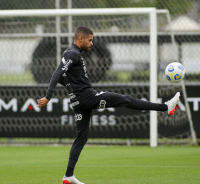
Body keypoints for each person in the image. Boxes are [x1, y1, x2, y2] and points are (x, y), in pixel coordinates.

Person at [37, 26, 180, 184]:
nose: (92, 43)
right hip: (87, 97)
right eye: (90, 40)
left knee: (81, 138)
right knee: (126, 100)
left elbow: (63, 78)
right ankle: (166, 107)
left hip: (78, 102)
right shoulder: (72, 53)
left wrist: (71, 90)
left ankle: (68, 176)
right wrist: (48, 97)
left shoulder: (71, 53)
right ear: (80, 39)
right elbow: (56, 73)